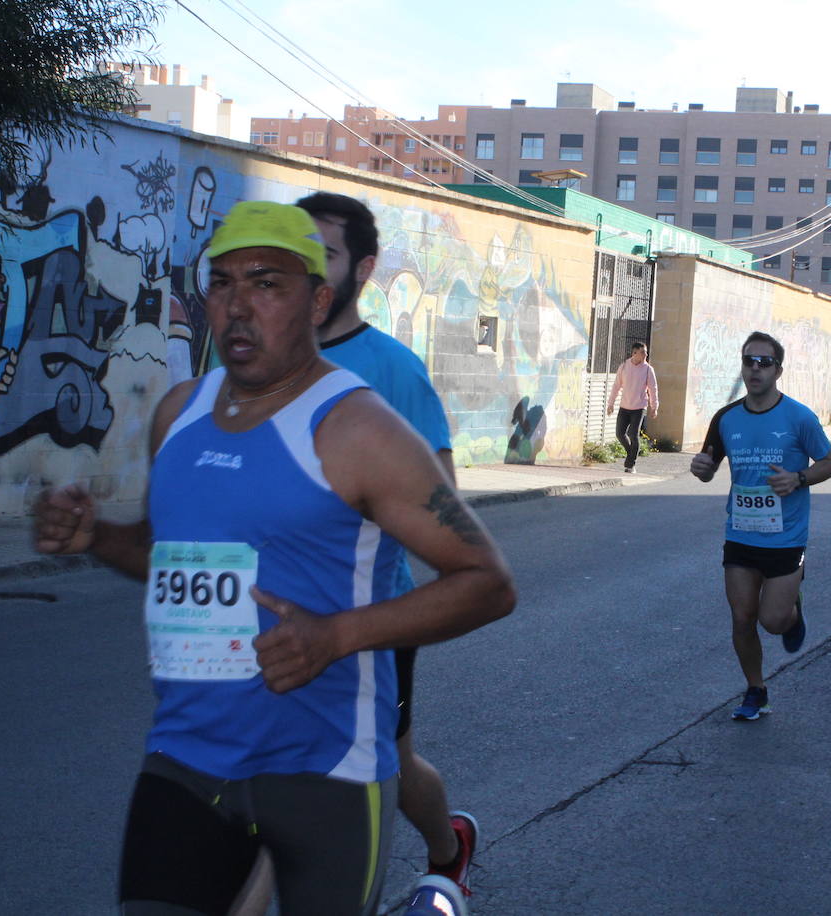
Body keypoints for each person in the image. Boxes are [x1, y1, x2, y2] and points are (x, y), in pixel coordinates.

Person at [33, 201, 516, 916]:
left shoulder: (358, 429)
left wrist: (336, 637)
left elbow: (487, 583)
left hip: (325, 773)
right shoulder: (179, 414)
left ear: (318, 300)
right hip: (186, 760)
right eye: (223, 283)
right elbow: (169, 558)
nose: (237, 307)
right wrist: (97, 537)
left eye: (267, 284)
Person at [293, 192, 480, 905]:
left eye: (326, 255)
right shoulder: (257, 355)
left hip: (372, 613)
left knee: (385, 762)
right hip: (270, 607)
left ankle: (445, 846)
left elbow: (446, 510)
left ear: (362, 270)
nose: (308, 269)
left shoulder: (394, 369)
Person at [690, 331, 831, 721]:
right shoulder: (725, 418)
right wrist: (701, 469)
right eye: (748, 361)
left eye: (764, 362)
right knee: (742, 617)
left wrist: (799, 478)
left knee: (772, 621)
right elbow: (708, 469)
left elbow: (829, 463)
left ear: (778, 370)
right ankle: (756, 690)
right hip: (740, 532)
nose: (755, 369)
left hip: (786, 536)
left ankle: (791, 610)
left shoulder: (799, 418)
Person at [607, 341, 659, 473]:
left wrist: (654, 406)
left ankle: (630, 465)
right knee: (619, 433)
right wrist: (611, 404)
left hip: (639, 408)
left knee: (633, 434)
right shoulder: (624, 367)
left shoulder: (648, 369)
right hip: (624, 407)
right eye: (643, 352)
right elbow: (616, 386)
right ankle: (631, 453)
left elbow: (653, 389)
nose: (646, 354)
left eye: (646, 352)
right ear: (634, 353)